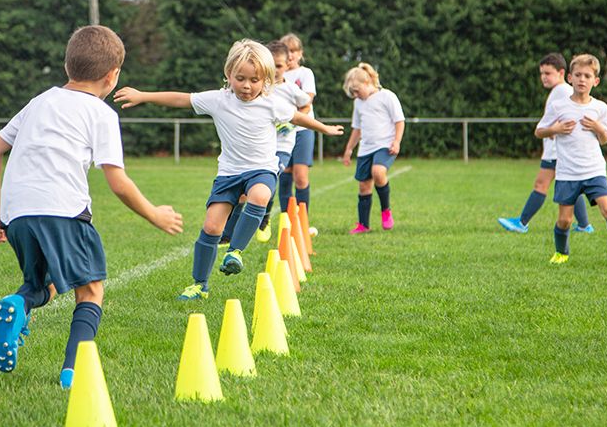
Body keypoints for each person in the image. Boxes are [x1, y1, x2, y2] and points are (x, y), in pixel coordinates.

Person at [0, 26, 183, 389]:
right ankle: (73, 373)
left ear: (66, 65)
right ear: (113, 76)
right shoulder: (100, 113)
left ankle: (18, 302)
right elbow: (117, 182)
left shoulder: (39, 101)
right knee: (90, 290)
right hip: (62, 210)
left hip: (17, 215)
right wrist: (155, 213)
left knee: (47, 282)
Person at [114, 39, 343, 301]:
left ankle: (235, 251)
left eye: (254, 80)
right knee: (211, 227)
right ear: (228, 75)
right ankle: (200, 285)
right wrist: (143, 96)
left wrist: (323, 128)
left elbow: (297, 117)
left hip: (261, 170)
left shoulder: (272, 103)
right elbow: (181, 98)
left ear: (266, 79)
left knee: (259, 196)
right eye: (240, 78)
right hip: (228, 174)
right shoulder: (218, 100)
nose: (247, 86)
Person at [535, 54, 607, 266]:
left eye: (587, 76)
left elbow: (604, 139)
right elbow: (539, 131)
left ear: (596, 81)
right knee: (565, 220)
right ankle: (561, 252)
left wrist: (597, 127)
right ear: (570, 79)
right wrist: (554, 129)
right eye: (578, 75)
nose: (582, 79)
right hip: (567, 173)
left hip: (594, 171)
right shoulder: (559, 107)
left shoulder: (600, 108)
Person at [219, 39, 312, 245]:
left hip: (282, 147)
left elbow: (307, 105)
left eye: (280, 66)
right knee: (243, 193)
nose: (277, 70)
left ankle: (265, 219)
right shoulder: (259, 86)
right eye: (274, 66)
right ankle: (227, 234)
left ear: (287, 66)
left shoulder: (290, 88)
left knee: (267, 184)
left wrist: (291, 122)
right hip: (258, 149)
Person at [499, 53, 594, 235]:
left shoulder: (562, 91)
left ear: (561, 73)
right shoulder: (560, 91)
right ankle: (584, 225)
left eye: (548, 73)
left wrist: (554, 130)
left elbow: (570, 118)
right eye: (542, 73)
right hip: (556, 150)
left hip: (556, 152)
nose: (544, 77)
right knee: (572, 187)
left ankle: (521, 222)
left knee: (540, 185)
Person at [341, 63, 405, 234]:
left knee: (378, 172)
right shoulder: (358, 103)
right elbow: (357, 128)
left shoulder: (387, 96)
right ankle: (363, 225)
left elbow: (399, 121)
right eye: (352, 92)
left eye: (356, 90)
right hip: (365, 149)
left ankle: (386, 210)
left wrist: (397, 141)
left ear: (367, 82)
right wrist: (349, 149)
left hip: (385, 145)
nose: (355, 95)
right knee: (364, 186)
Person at [278, 33, 318, 215]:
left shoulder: (305, 73)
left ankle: (303, 220)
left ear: (300, 53)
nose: (291, 55)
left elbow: (308, 101)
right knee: (284, 177)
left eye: (294, 51)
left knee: (300, 177)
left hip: (302, 130)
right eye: (287, 51)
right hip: (282, 133)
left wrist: (294, 120)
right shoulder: (276, 75)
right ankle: (287, 221)